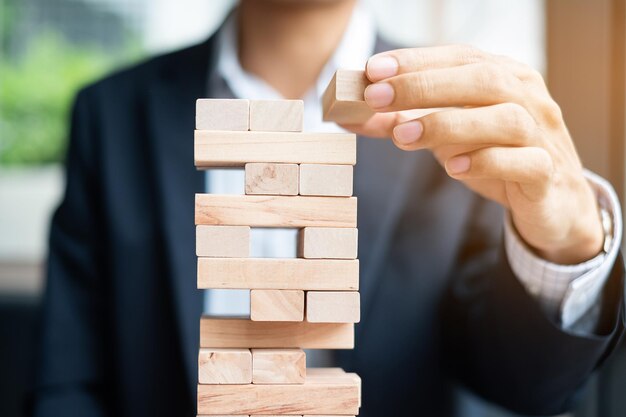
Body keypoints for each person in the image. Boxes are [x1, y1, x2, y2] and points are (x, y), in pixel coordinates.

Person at [33, 1, 625, 416]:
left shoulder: (465, 115)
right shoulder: (110, 115)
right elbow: (68, 382)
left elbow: (529, 384)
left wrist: (566, 243)